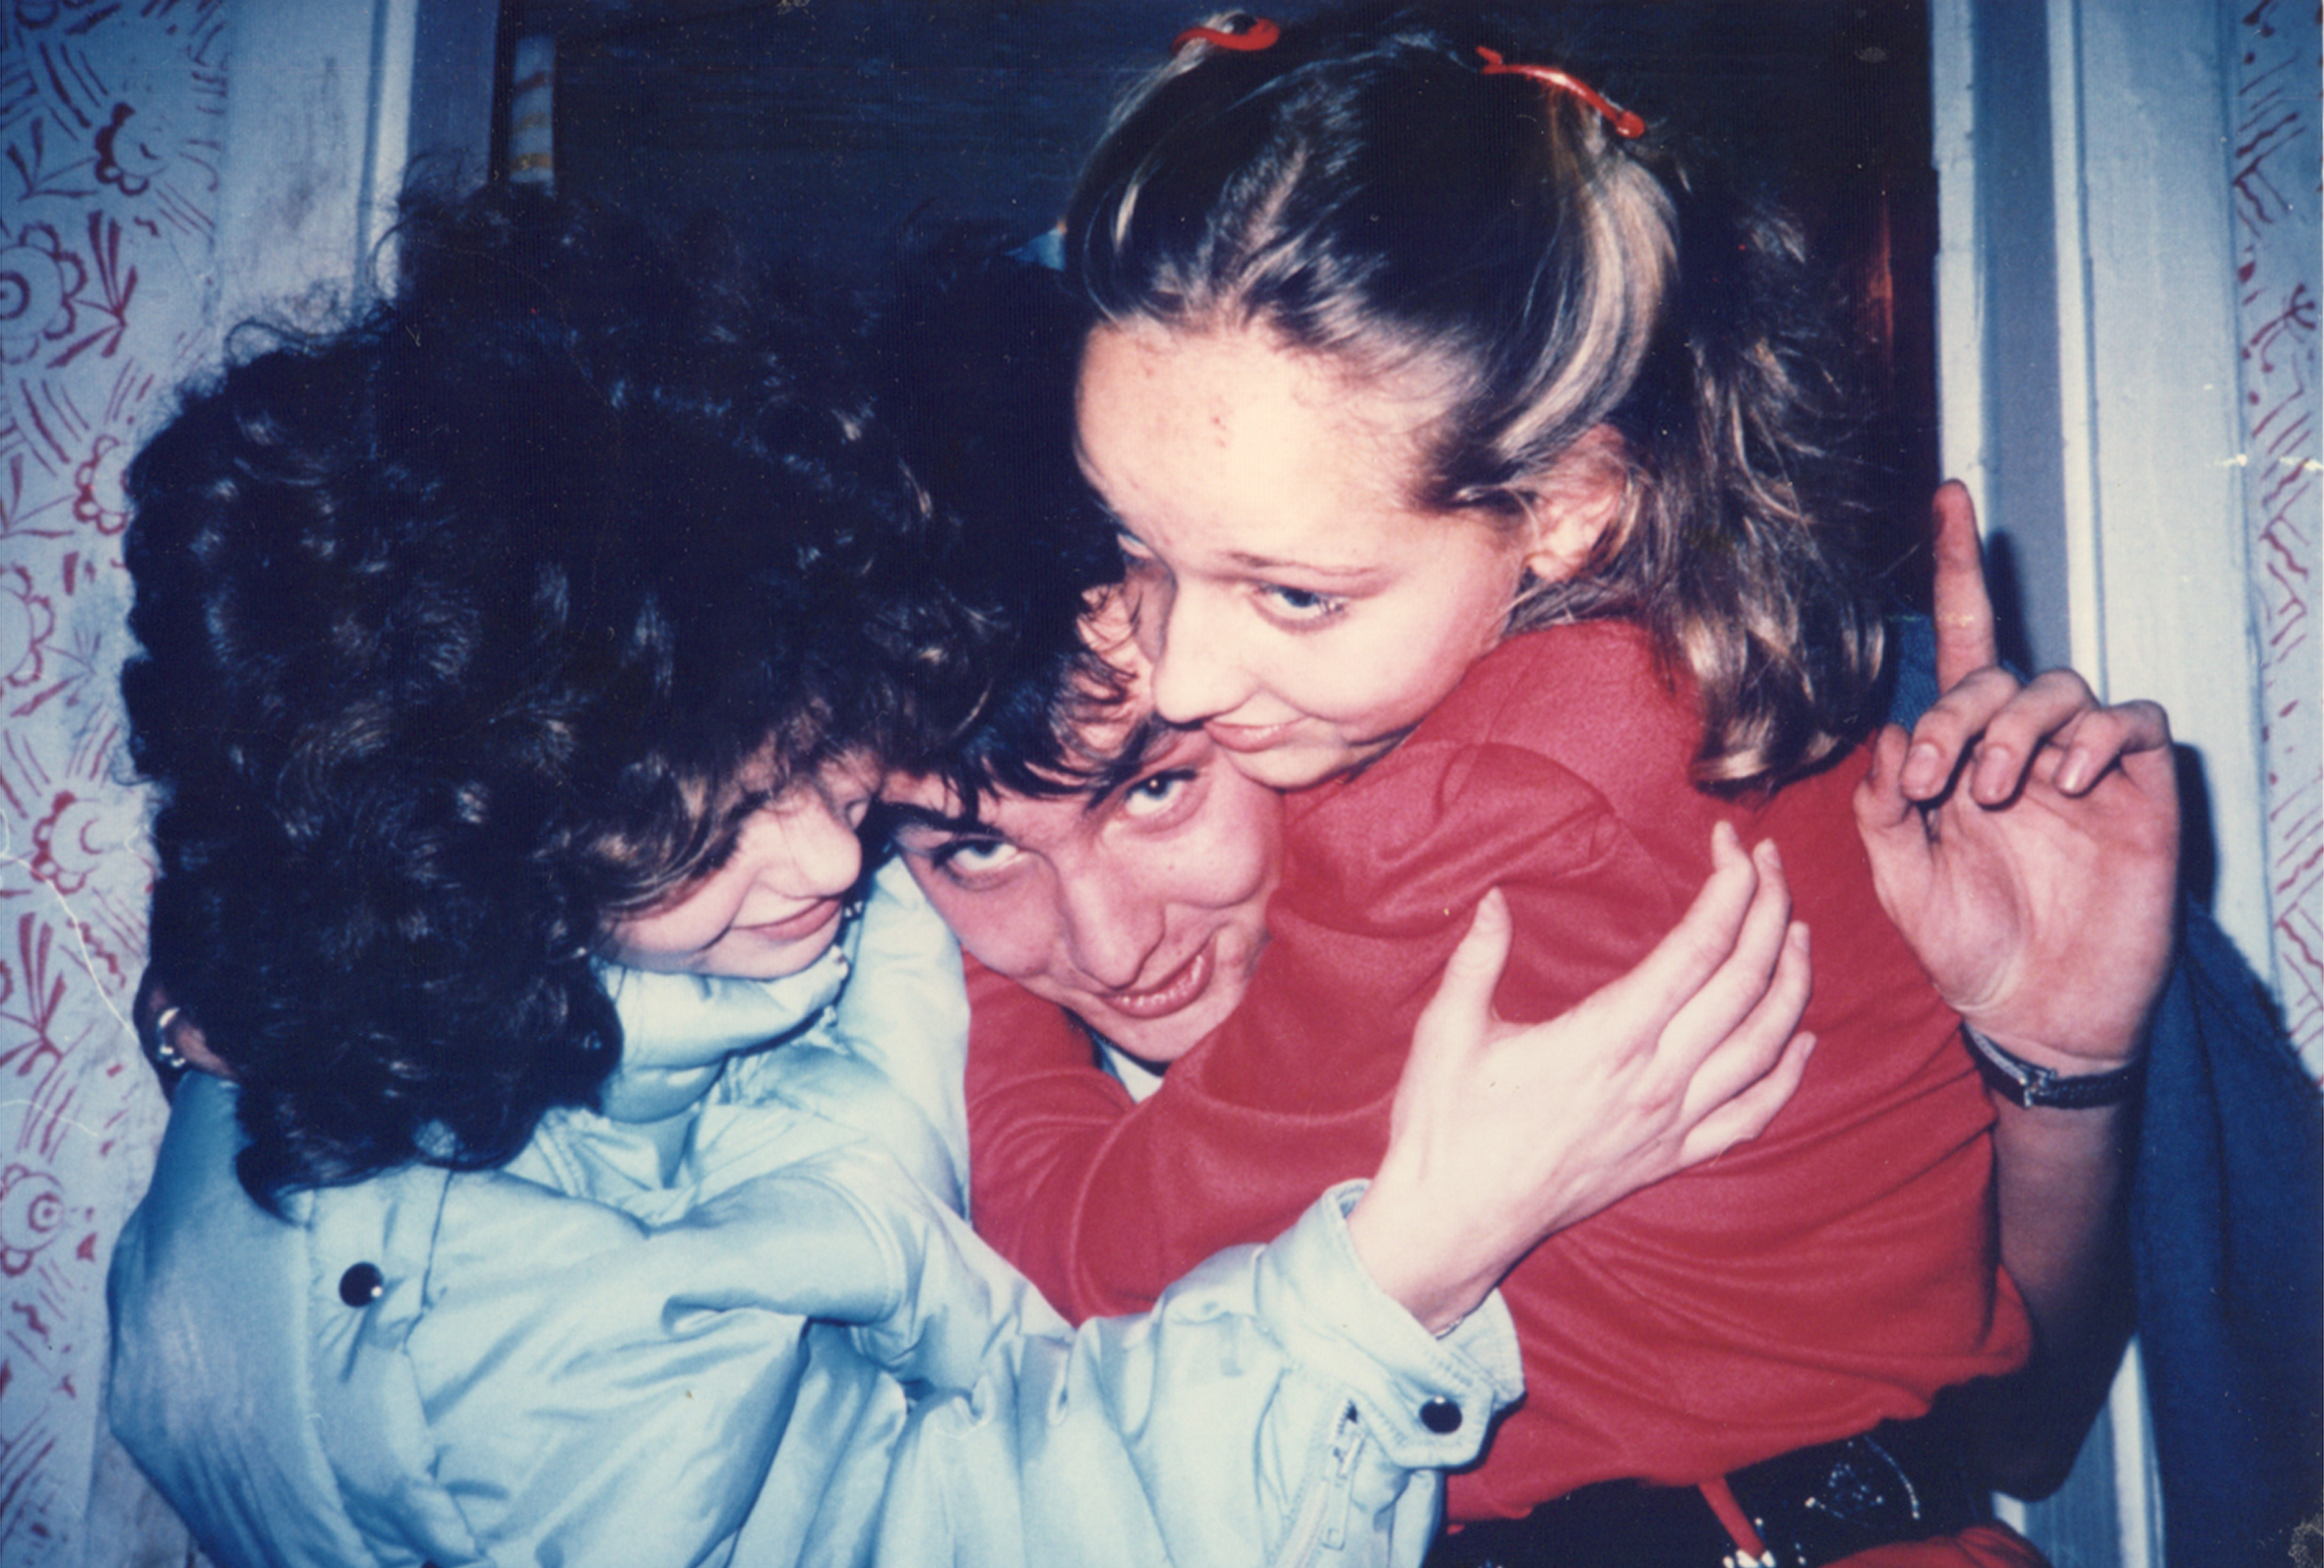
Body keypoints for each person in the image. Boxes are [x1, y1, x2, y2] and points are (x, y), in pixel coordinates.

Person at [106, 187, 1818, 1568]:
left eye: (810, 761)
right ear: (491, 870)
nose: (826, 856)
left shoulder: (765, 864)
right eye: (966, 843)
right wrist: (1413, 1264)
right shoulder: (458, 1352)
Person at [958, 12, 2181, 1565]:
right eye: (1140, 546)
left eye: (1294, 595)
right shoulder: (1692, 674)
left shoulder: (1473, 803)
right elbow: (1995, 1395)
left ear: (1568, 505)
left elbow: (1097, 1258)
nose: (1181, 674)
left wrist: (953, 949)